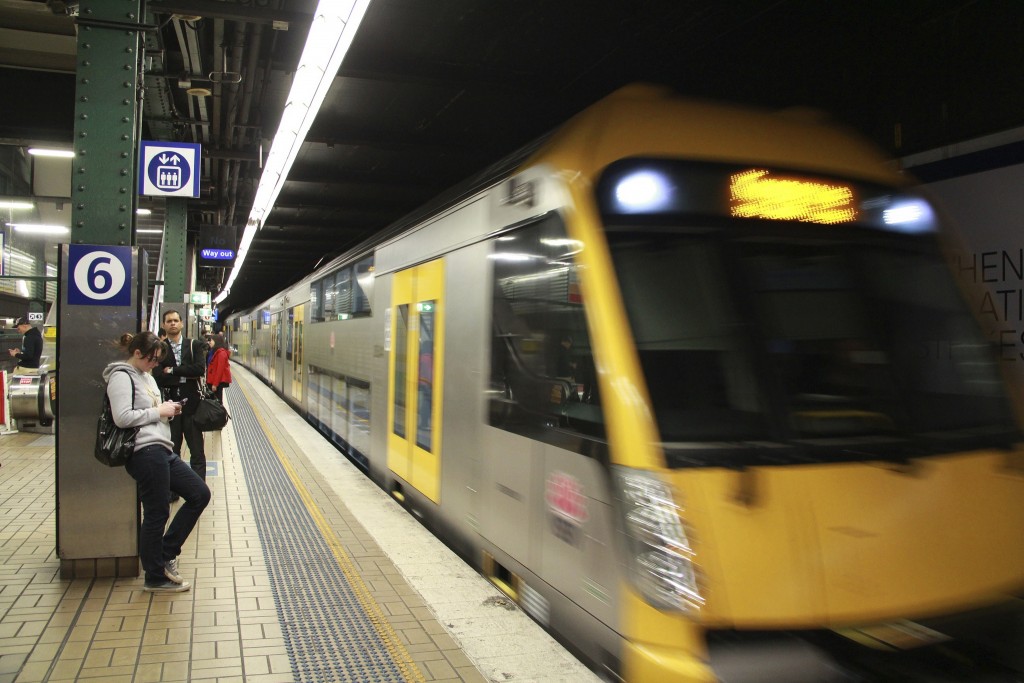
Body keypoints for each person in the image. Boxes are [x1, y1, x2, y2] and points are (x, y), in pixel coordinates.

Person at [103, 331, 210, 592]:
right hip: (143, 451)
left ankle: (166, 553)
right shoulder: (120, 377)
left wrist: (168, 410)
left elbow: (151, 411)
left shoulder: (147, 376)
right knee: (157, 512)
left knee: (199, 493)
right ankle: (154, 576)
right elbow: (122, 417)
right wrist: (158, 411)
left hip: (162, 448)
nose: (156, 364)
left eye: (158, 359)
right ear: (137, 353)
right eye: (152, 359)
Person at [154, 310, 208, 479]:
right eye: (169, 321)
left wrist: (172, 370)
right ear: (163, 325)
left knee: (197, 451)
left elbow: (199, 369)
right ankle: (173, 490)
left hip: (192, 406)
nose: (173, 323)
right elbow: (158, 376)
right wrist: (184, 374)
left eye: (176, 320)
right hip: (170, 407)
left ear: (182, 324)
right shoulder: (159, 349)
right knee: (172, 450)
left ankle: (199, 488)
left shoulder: (195, 345)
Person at [206, 333, 232, 402]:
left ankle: (220, 413)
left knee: (217, 402)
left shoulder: (221, 353)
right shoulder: (213, 351)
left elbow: (219, 370)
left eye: (211, 341)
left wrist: (215, 384)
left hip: (217, 382)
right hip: (211, 380)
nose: (209, 342)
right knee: (213, 401)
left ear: (216, 341)